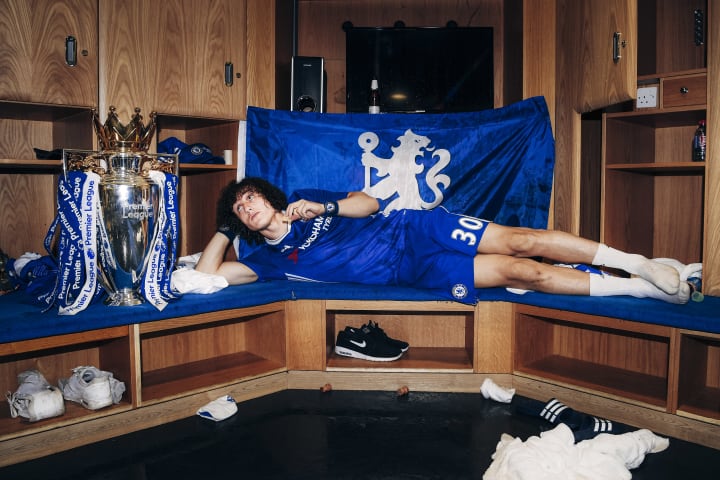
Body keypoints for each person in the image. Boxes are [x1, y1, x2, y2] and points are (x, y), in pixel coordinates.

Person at [196, 177, 690, 305]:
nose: (246, 205)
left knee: (519, 241)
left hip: (413, 228)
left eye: (250, 197)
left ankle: (635, 262)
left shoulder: (307, 200)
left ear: (271, 197)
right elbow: (207, 276)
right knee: (522, 272)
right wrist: (225, 225)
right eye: (239, 207)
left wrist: (326, 207)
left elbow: (370, 203)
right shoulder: (268, 260)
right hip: (413, 271)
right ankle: (640, 287)